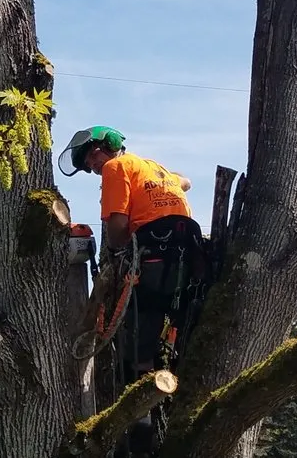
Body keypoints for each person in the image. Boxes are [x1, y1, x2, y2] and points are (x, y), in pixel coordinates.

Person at [59, 125, 205, 382]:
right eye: (88, 163)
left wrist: (117, 254)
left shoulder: (115, 168)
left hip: (153, 260)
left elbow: (117, 227)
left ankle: (140, 412)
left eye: (92, 157)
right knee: (177, 330)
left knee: (138, 341)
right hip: (188, 259)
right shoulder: (151, 167)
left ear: (103, 147)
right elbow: (187, 182)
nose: (93, 166)